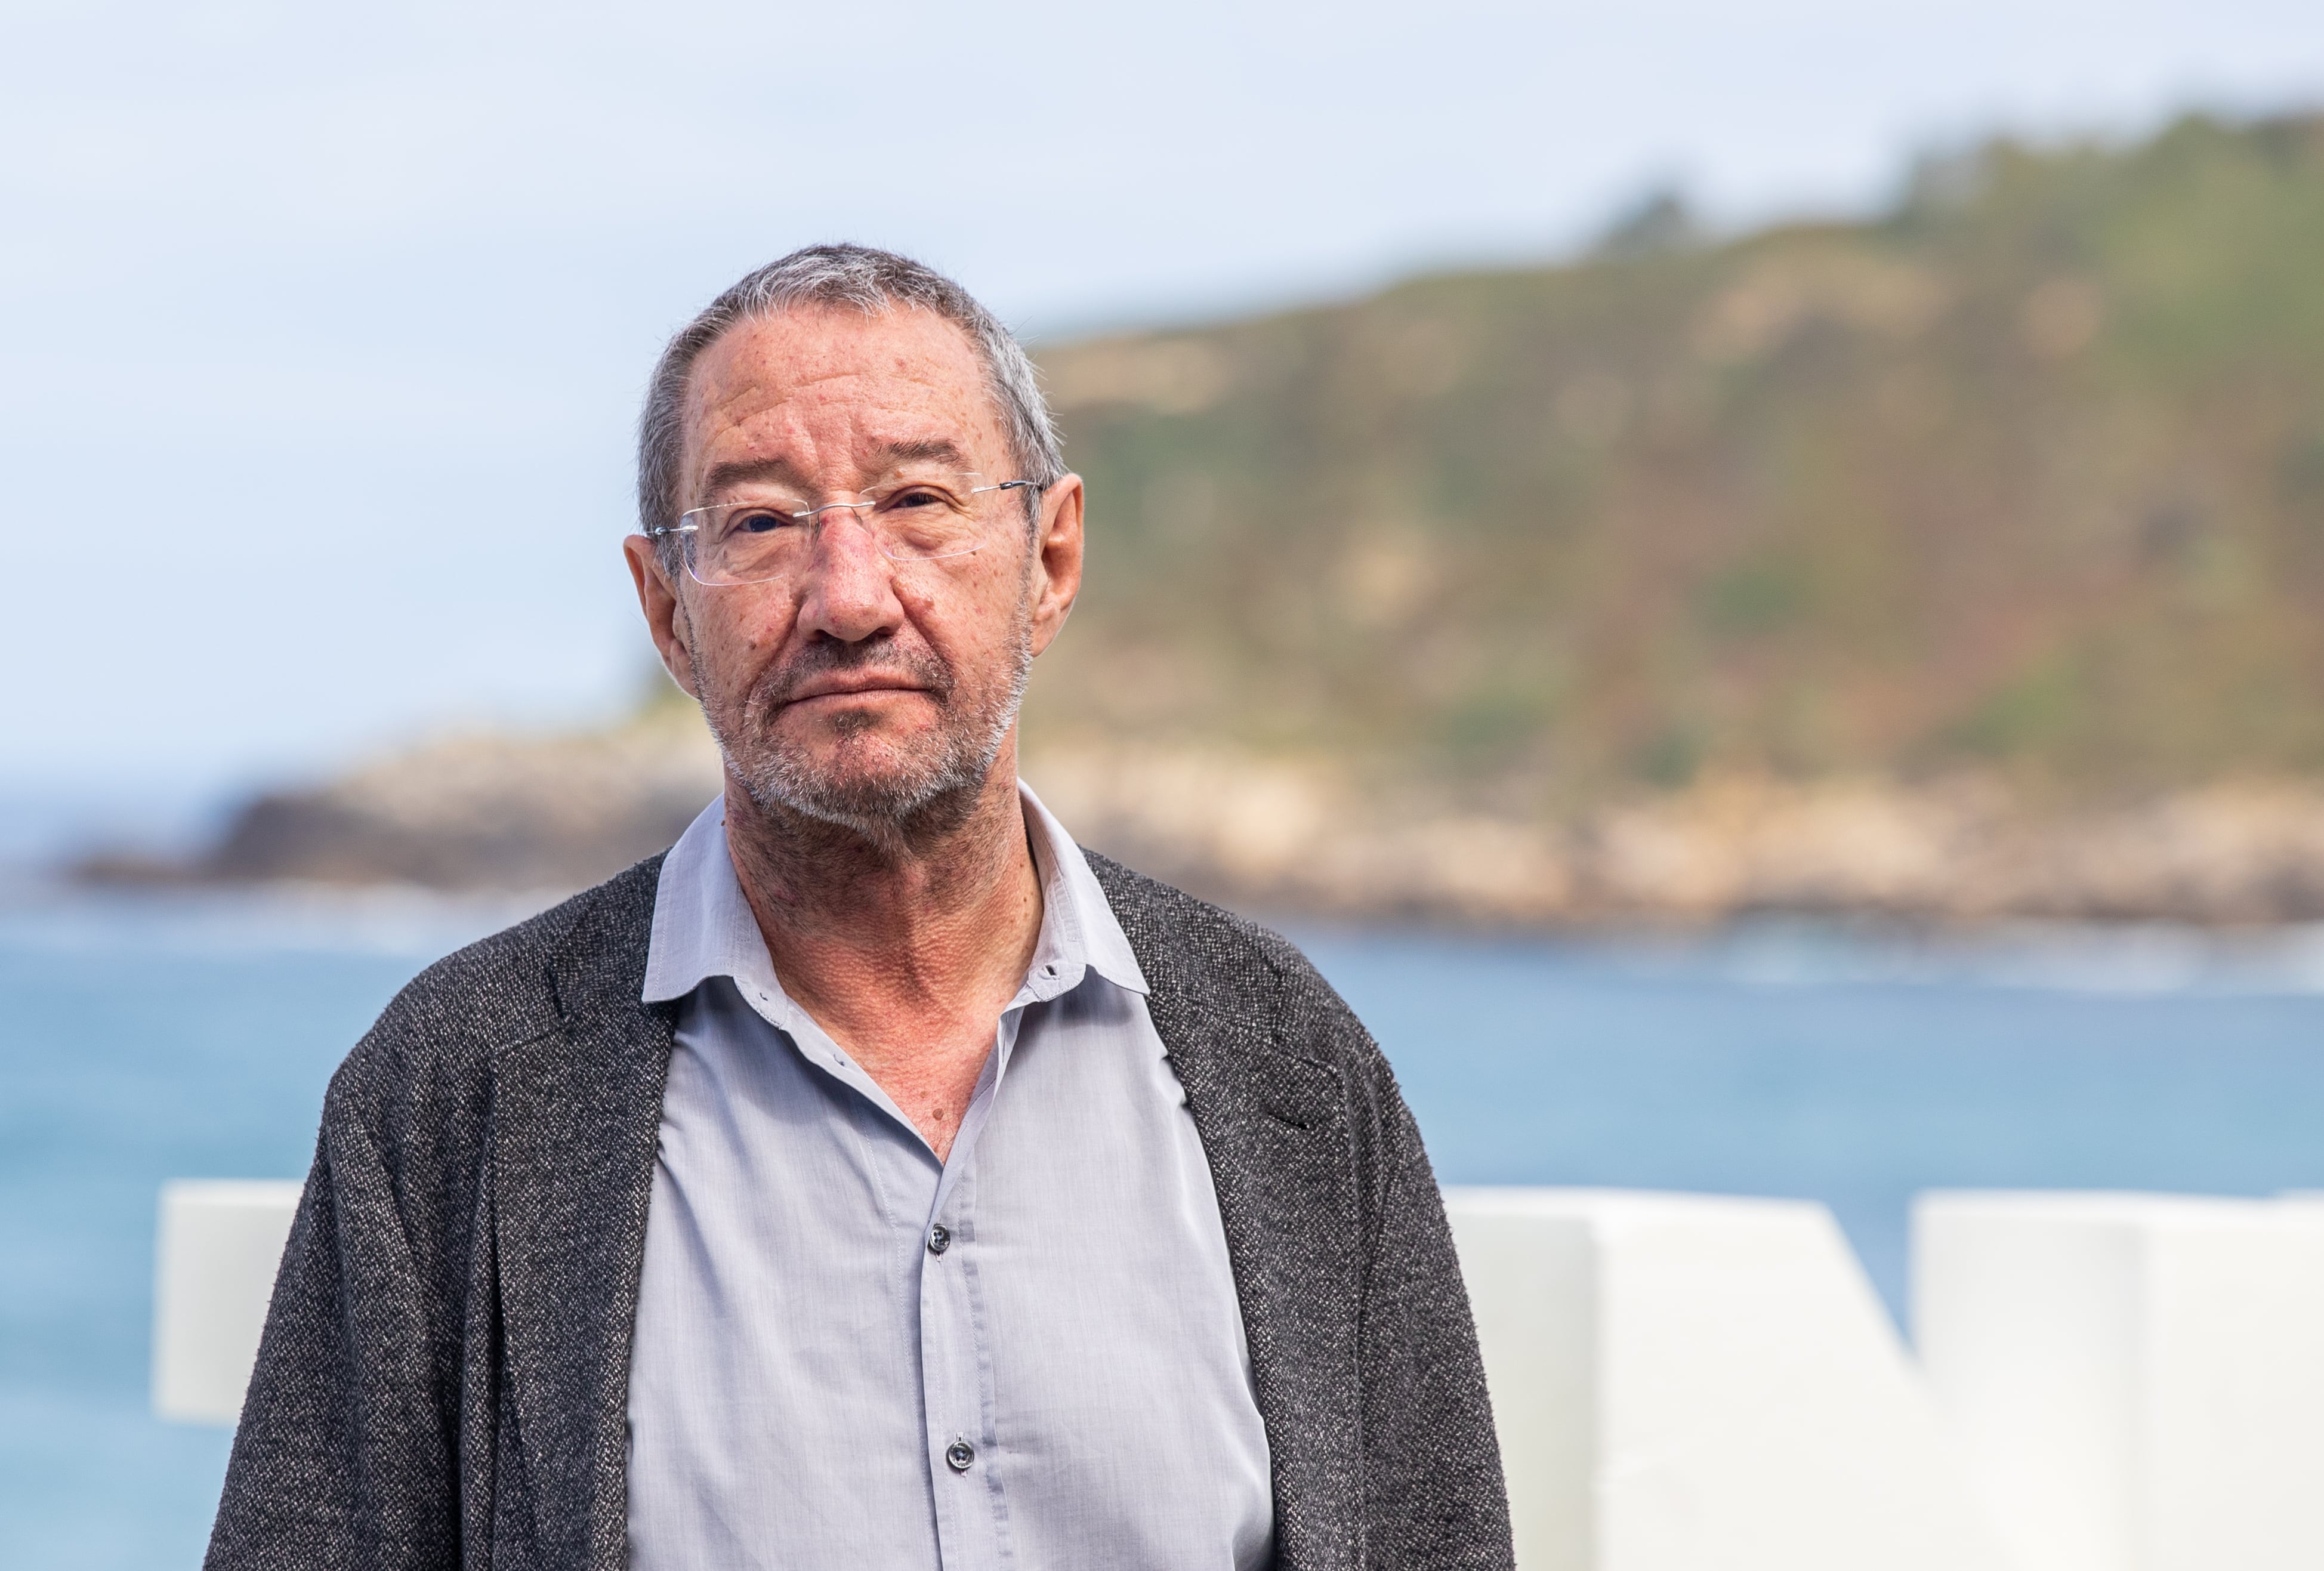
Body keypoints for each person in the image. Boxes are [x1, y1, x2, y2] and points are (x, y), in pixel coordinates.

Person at [206, 244, 1511, 1570]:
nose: (846, 596)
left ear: (1049, 560)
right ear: (667, 610)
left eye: (918, 500)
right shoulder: (453, 1094)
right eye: (761, 522)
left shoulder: (1286, 1063)